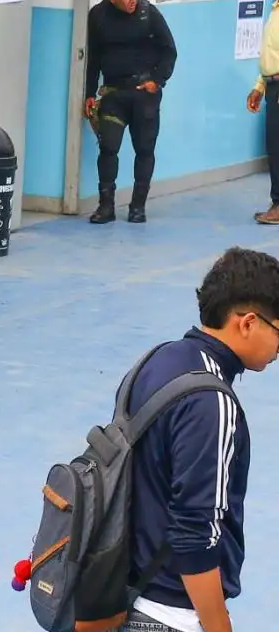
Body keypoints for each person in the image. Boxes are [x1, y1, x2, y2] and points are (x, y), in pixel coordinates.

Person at [122, 246, 279, 632]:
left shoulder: (156, 360)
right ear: (247, 323)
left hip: (123, 595)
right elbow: (195, 536)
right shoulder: (213, 403)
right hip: (168, 615)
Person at [85, 0, 178, 225]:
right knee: (108, 149)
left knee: (144, 150)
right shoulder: (98, 16)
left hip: (143, 96)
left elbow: (169, 51)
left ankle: (138, 207)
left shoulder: (149, 14)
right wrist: (89, 93)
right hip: (114, 94)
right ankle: (106, 206)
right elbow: (92, 59)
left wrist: (157, 81)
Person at [244, 0, 279, 226]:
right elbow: (270, 56)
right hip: (272, 85)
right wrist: (259, 86)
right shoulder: (275, 9)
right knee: (274, 146)